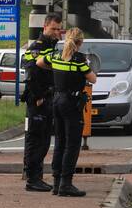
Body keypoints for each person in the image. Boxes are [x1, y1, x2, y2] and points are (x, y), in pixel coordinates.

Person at [49, 28, 97, 197]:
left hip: (56, 100)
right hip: (71, 103)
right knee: (72, 144)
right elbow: (93, 79)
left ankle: (56, 183)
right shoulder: (78, 59)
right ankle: (66, 184)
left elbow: (40, 63)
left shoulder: (55, 55)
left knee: (59, 142)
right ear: (80, 42)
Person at [21, 12, 63, 192]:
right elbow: (30, 75)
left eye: (59, 29)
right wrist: (39, 97)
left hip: (48, 98)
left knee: (44, 140)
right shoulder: (37, 47)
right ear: (45, 27)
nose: (56, 32)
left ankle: (37, 177)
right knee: (36, 139)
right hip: (38, 99)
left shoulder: (52, 46)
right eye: (53, 29)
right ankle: (32, 179)